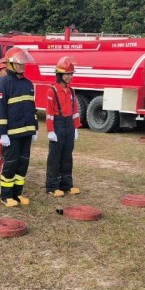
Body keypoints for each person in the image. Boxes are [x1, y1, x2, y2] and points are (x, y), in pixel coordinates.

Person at [0, 47, 38, 207]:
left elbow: (31, 107)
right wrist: (3, 133)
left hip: (26, 132)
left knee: (23, 164)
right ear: (11, 65)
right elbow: (0, 109)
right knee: (11, 164)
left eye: (23, 64)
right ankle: (5, 196)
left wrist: (34, 129)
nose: (22, 66)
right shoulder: (4, 82)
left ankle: (17, 194)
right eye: (19, 64)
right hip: (11, 134)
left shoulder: (28, 84)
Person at [45, 56, 82, 196]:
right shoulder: (52, 91)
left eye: (71, 74)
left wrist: (76, 127)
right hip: (58, 125)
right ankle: (52, 186)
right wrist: (50, 130)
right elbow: (49, 113)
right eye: (67, 74)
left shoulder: (71, 91)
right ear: (59, 74)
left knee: (67, 155)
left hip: (69, 126)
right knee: (55, 156)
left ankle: (67, 185)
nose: (69, 77)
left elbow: (74, 111)